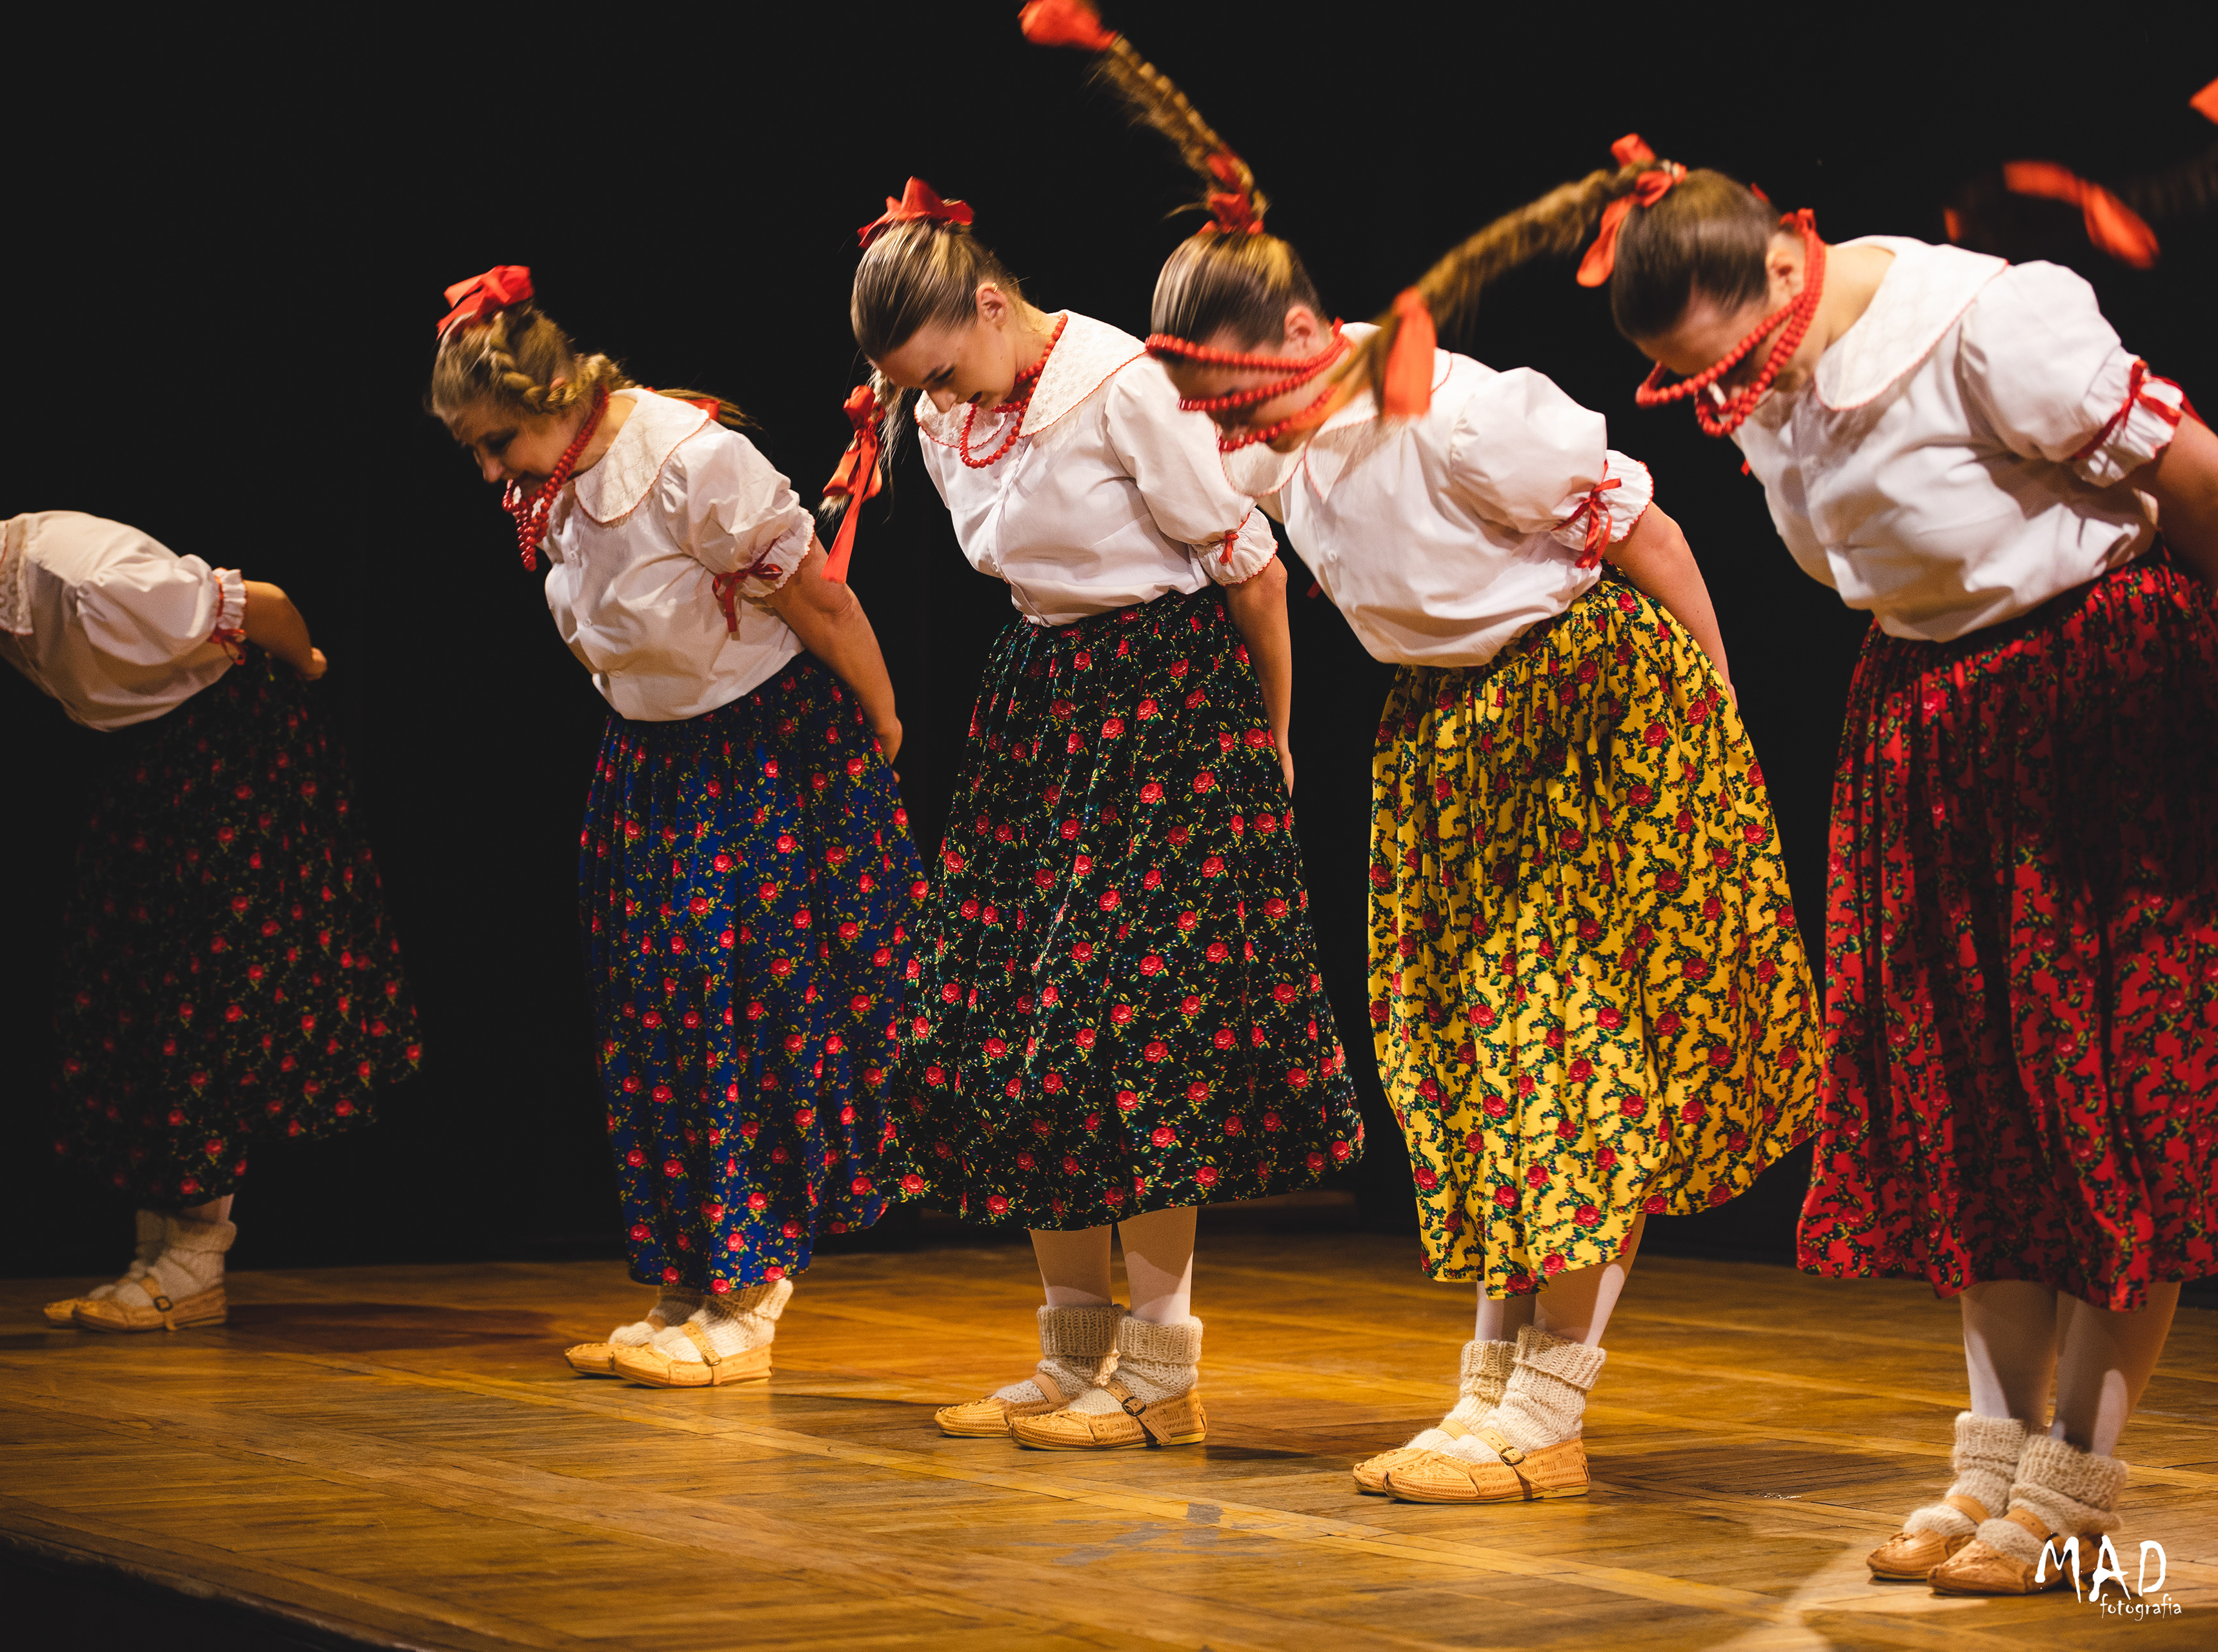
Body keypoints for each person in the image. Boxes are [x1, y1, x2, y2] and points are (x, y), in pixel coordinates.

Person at [1023, 0, 1822, 1501]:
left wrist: (1715, 720)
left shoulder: (1461, 416)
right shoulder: (1272, 438)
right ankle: (1489, 1386)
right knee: (1465, 1057)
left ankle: (1549, 1405)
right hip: (1446, 742)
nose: (1218, 433)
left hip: (1586, 713)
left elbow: (1646, 533)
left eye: (1229, 401)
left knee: (1570, 1049)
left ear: (1301, 341)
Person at [1545, 134, 2214, 1593]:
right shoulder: (1770, 373)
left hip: (2087, 708)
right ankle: (1990, 1459)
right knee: (1971, 1104)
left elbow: (2193, 476)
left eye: (1739, 361)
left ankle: (2074, 1488)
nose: (1734, 396)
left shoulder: (1985, 322)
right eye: (1699, 381)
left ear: (1791, 253)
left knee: (2099, 1100)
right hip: (1926, 718)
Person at [840, 176, 1364, 1452]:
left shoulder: (1120, 382)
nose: (934, 399)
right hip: (1039, 696)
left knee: (1139, 1036)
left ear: (991, 303)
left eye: (940, 369)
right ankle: (1070, 1351)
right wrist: (934, 404)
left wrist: (1272, 739)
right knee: (1021, 1027)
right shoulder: (941, 415)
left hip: (1159, 697)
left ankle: (1161, 1369)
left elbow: (1253, 571)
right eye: (914, 385)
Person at [0, 510, 421, 1331]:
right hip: (153, 761)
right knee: (130, 1004)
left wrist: (307, 669)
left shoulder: (89, 585)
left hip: (229, 755)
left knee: (198, 1009)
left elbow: (269, 606)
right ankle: (156, 1252)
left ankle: (195, 1262)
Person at [427, 267, 923, 1389]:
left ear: (553, 398)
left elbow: (821, 599)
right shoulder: (553, 482)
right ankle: (687, 1280)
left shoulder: (691, 461)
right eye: (475, 450)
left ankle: (751, 1293)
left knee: (738, 1013)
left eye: (497, 442)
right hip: (652, 763)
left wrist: (882, 720)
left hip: (755, 751)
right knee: (652, 1019)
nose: (490, 470)